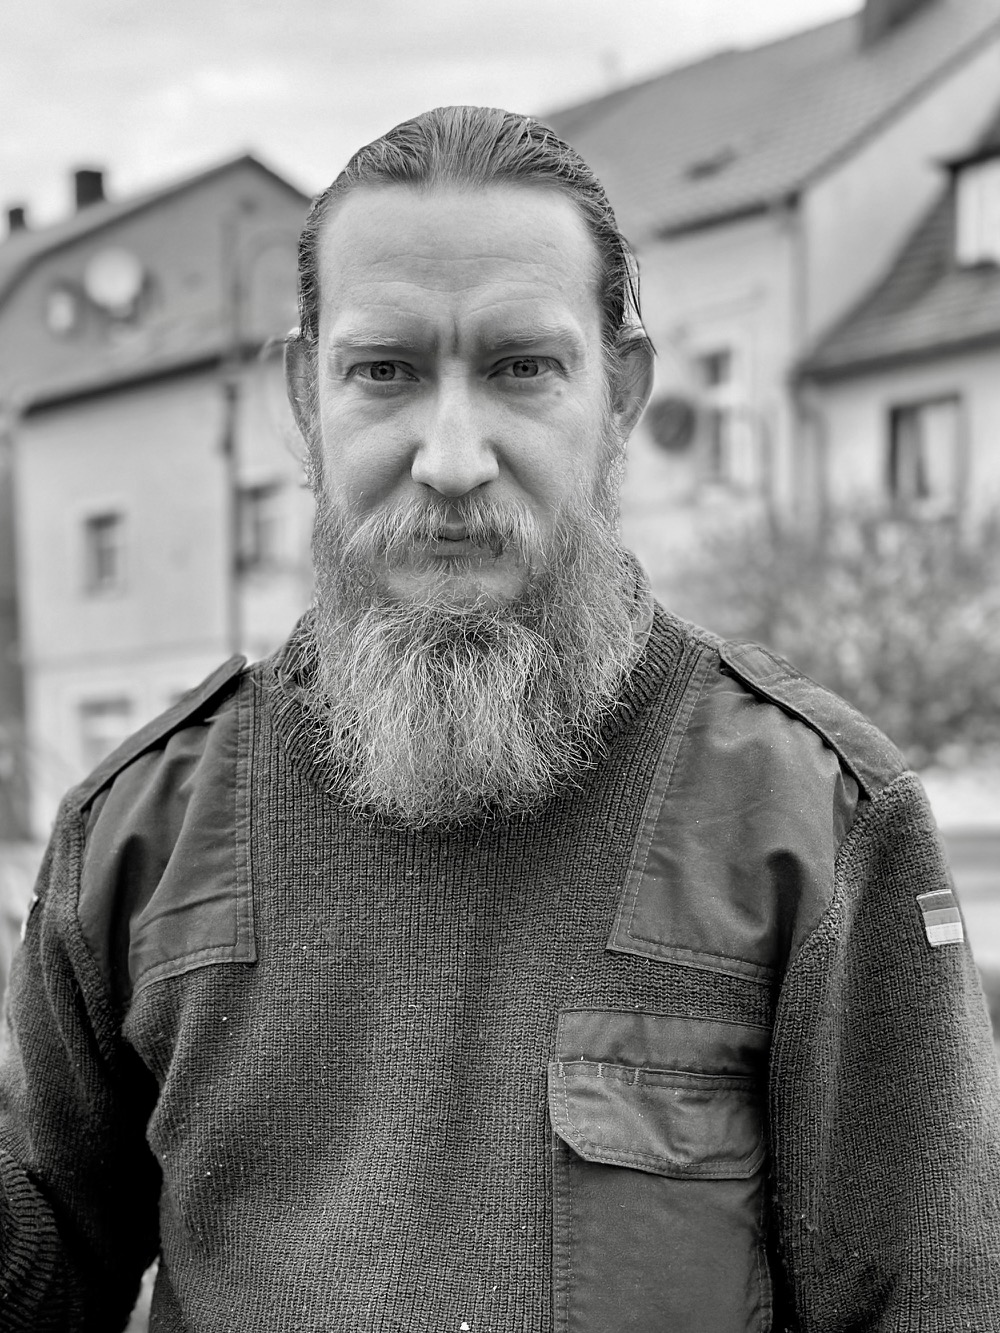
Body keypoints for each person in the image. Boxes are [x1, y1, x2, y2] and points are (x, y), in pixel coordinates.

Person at [1, 105, 998, 1333]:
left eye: (521, 366)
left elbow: (937, 1299)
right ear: (303, 401)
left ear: (620, 391)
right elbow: (43, 1284)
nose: (452, 455)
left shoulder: (815, 821)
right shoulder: (135, 840)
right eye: (387, 371)